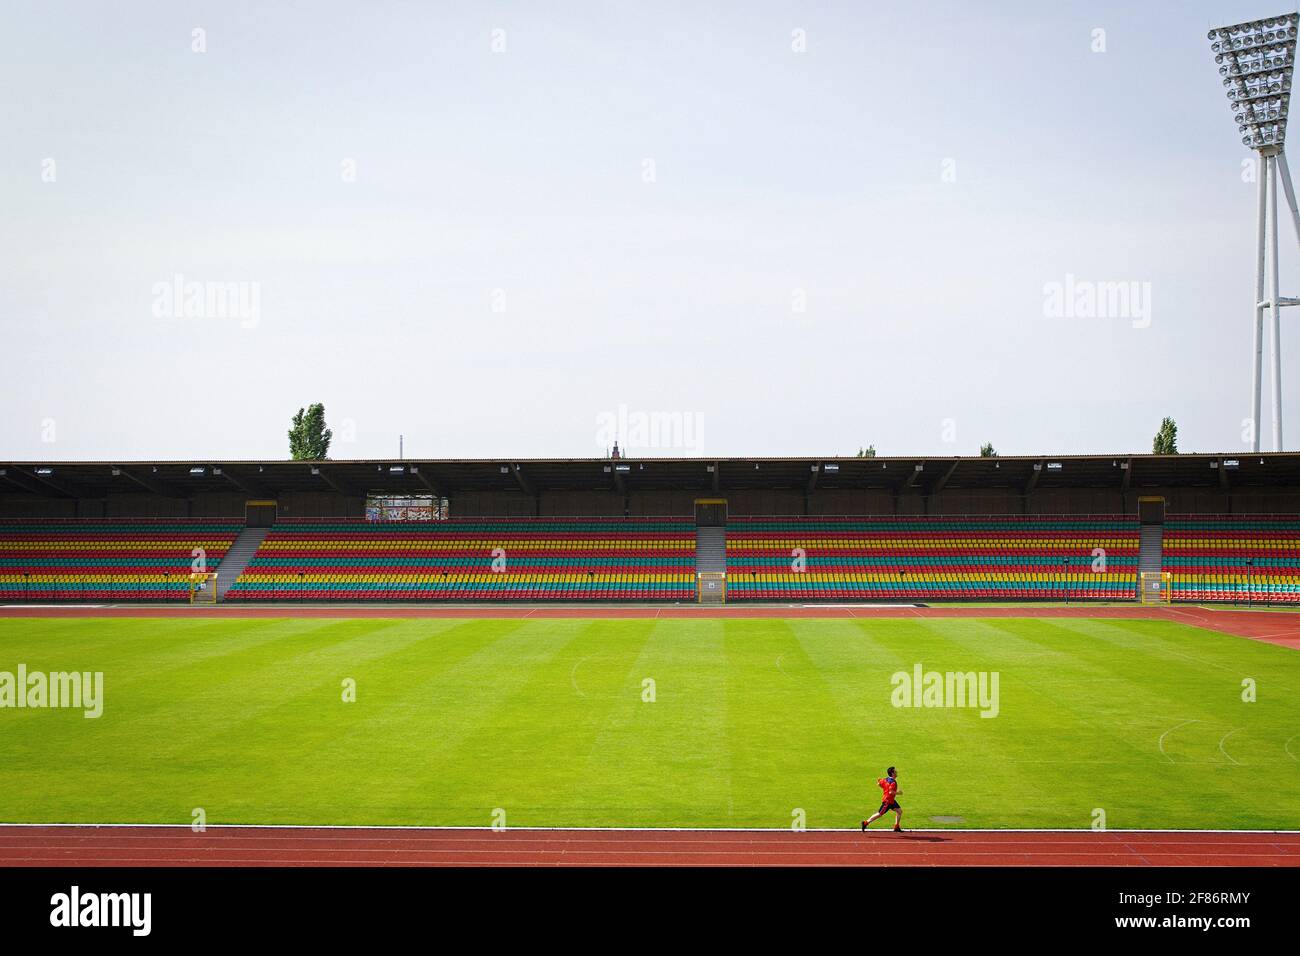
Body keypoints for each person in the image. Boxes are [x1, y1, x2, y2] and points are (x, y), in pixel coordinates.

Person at [862, 766, 904, 832]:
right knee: (879, 814)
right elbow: (891, 792)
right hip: (887, 801)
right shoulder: (893, 782)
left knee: (899, 811)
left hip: (891, 801)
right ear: (892, 773)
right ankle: (865, 823)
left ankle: (896, 827)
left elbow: (879, 784)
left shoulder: (885, 779)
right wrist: (899, 793)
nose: (896, 772)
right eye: (895, 771)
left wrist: (885, 788)